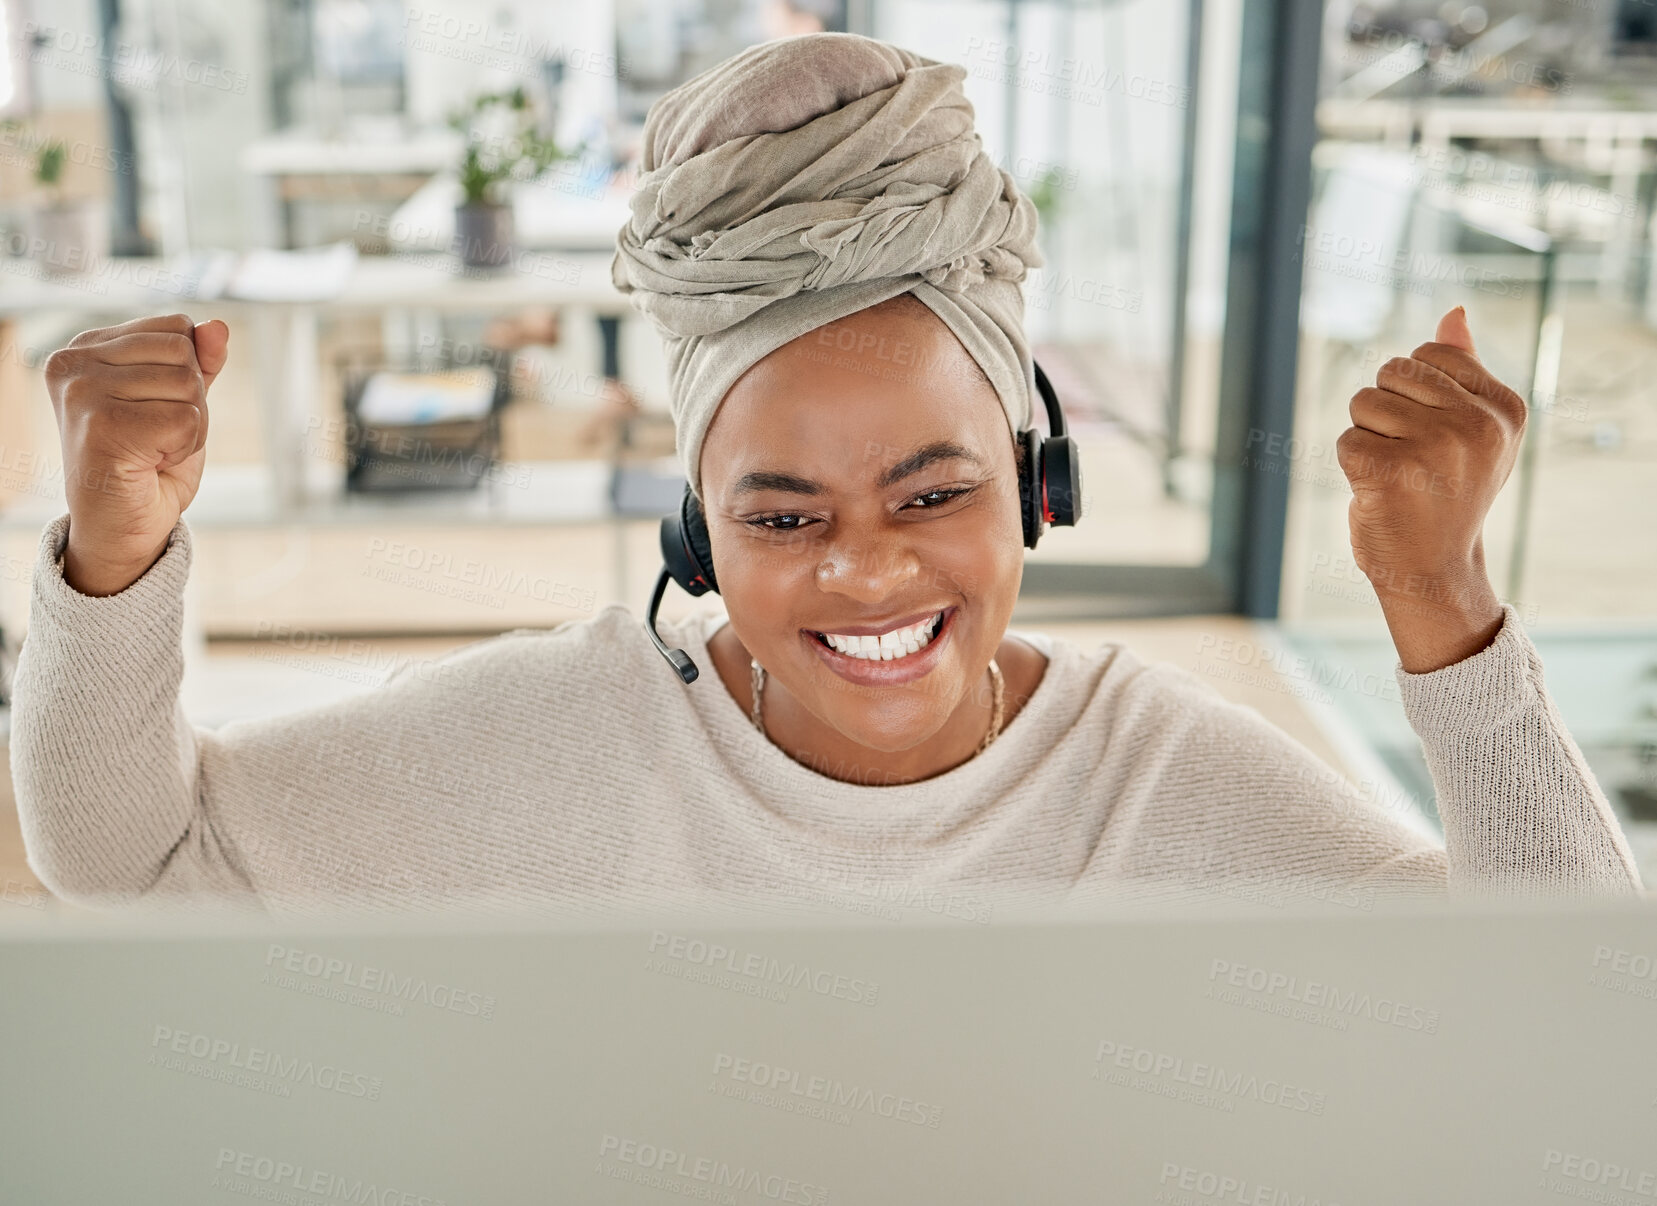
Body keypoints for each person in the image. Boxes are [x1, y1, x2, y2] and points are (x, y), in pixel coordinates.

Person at [9, 33, 1641, 918]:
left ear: (1037, 478)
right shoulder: (562, 741)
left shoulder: (1161, 781)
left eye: (934, 492)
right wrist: (115, 553)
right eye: (781, 517)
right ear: (692, 532)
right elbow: (127, 857)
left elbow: (1563, 1027)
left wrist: (1441, 606)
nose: (865, 574)